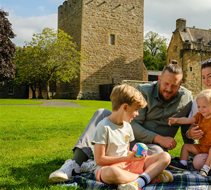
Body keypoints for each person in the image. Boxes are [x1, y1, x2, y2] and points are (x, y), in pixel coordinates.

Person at [49, 60, 193, 183]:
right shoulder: (144, 91)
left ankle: (131, 173)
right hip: (126, 138)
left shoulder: (187, 98)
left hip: (151, 149)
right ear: (159, 78)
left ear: (180, 84)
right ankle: (75, 163)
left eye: (174, 86)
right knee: (102, 113)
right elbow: (132, 124)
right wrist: (158, 138)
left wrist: (192, 145)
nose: (168, 89)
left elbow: (187, 130)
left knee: (159, 154)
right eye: (166, 83)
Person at [92, 84, 173, 190]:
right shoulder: (104, 127)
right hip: (109, 167)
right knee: (111, 173)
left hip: (128, 166)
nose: (137, 114)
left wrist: (135, 156)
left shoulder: (127, 127)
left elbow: (126, 152)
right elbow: (99, 159)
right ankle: (149, 177)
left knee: (165, 156)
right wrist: (125, 159)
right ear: (125, 107)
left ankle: (137, 181)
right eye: (136, 109)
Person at [168, 89, 211, 176]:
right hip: (203, 146)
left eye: (204, 107)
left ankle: (206, 168)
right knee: (186, 146)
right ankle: (183, 164)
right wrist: (176, 120)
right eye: (199, 107)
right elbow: (188, 120)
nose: (201, 109)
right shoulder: (199, 116)